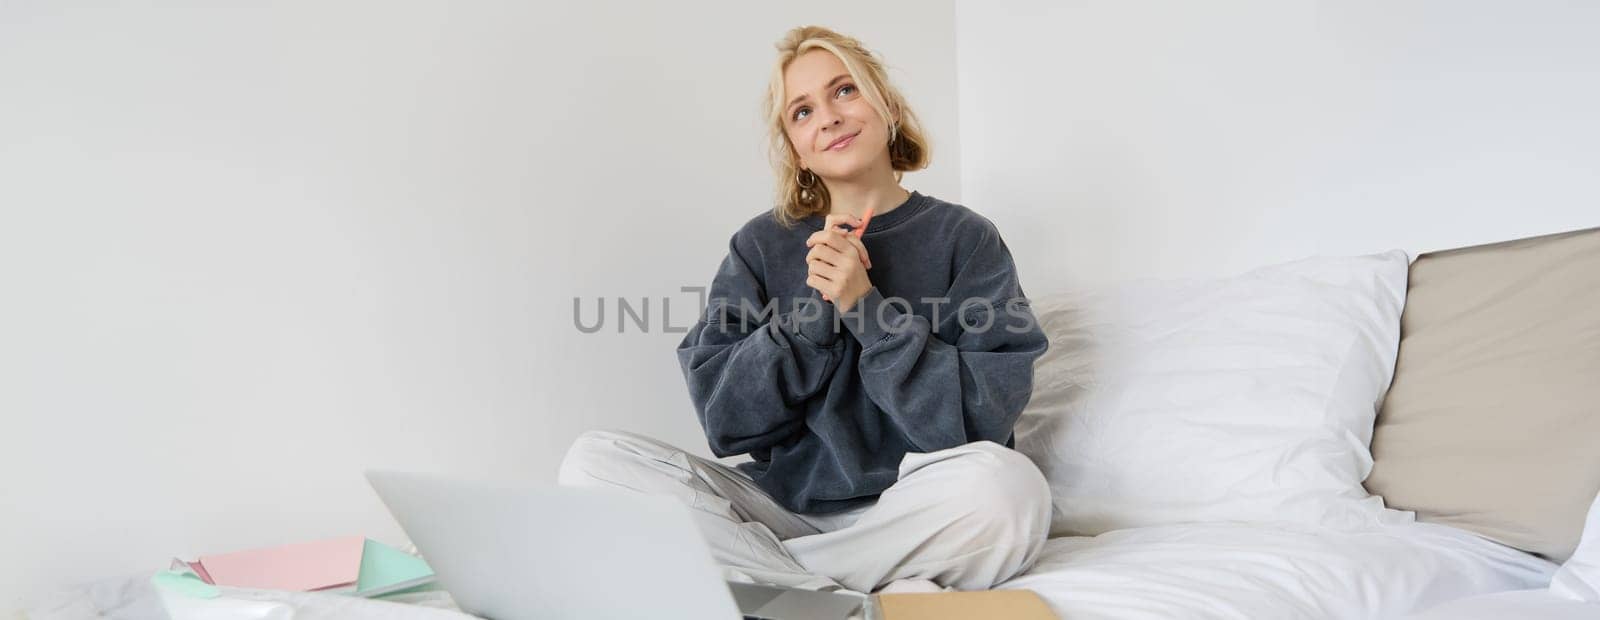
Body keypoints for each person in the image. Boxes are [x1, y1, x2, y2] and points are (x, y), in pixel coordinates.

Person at [557, 25, 1051, 596]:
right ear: (796, 147)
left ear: (887, 105)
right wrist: (810, 318)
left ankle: (776, 584)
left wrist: (866, 308)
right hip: (780, 509)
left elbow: (979, 423)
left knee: (1011, 491)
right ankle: (831, 589)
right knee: (592, 463)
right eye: (802, 111)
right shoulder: (758, 246)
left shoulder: (965, 238)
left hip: (917, 505)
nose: (828, 117)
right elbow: (726, 420)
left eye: (845, 91)